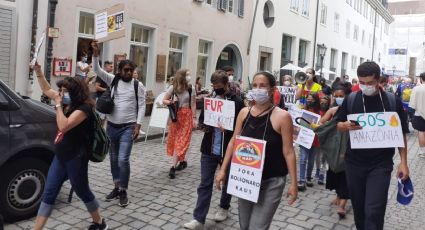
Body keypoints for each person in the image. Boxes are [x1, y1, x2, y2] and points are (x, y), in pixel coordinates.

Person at [215, 71, 298, 230]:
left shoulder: (283, 117)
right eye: (255, 85)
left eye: (263, 86)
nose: (258, 89)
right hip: (246, 179)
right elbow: (234, 141)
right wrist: (223, 170)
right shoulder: (244, 113)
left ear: (272, 89)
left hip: (272, 181)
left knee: (257, 227)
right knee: (245, 225)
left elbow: (288, 151)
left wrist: (293, 183)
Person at [31, 63, 107, 230]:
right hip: (61, 155)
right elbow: (46, 89)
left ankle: (99, 222)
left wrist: (58, 105)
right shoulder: (66, 102)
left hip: (76, 157)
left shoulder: (84, 108)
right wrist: (38, 71)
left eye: (65, 91)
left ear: (75, 93)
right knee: (49, 191)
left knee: (82, 191)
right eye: (61, 91)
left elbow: (64, 125)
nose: (61, 94)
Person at [336, 61, 409, 230]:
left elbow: (401, 134)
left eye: (370, 83)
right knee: (359, 209)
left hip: (380, 165)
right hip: (354, 163)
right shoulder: (351, 98)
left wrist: (404, 162)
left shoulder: (392, 101)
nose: (365, 86)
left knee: (374, 210)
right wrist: (344, 126)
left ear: (378, 80)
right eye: (362, 82)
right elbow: (338, 124)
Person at [184, 70, 245, 229]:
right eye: (213, 85)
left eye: (218, 85)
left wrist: (229, 130)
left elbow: (242, 127)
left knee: (227, 180)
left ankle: (224, 206)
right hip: (209, 149)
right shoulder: (209, 100)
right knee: (205, 183)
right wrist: (202, 127)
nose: (215, 88)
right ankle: (198, 218)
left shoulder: (237, 102)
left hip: (227, 148)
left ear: (226, 84)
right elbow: (204, 120)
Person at [91, 40, 146, 207]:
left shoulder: (138, 85)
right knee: (113, 159)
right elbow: (97, 70)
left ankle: (123, 190)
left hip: (128, 128)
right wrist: (95, 53)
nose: (129, 73)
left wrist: (138, 126)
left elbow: (142, 105)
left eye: (131, 70)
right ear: (120, 71)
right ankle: (116, 186)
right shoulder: (113, 80)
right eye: (126, 70)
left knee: (123, 159)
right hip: (112, 127)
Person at [319, 84, 351, 219]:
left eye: (341, 96)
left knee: (346, 176)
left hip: (349, 148)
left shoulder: (353, 111)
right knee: (336, 173)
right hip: (334, 149)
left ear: (348, 97)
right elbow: (321, 124)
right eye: (336, 96)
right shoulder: (333, 111)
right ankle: (339, 196)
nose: (339, 98)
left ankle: (342, 205)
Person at [163, 69, 197, 179]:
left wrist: (194, 118)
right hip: (176, 117)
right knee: (175, 140)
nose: (189, 76)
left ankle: (173, 167)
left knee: (182, 141)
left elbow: (193, 104)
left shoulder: (191, 88)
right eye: (187, 75)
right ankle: (182, 161)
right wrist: (171, 102)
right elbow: (164, 100)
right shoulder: (173, 87)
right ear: (182, 76)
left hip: (186, 116)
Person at [298, 92, 321, 191]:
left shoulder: (319, 112)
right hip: (304, 138)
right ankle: (301, 179)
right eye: (308, 98)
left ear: (316, 100)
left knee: (311, 160)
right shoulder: (302, 110)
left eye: (311, 99)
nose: (309, 100)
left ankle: (308, 177)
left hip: (315, 139)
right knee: (303, 159)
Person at [410, 72, 425, 157]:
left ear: (421, 79)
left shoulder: (416, 88)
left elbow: (412, 104)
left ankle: (423, 152)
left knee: (421, 132)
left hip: (419, 114)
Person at [95, 61, 113, 125]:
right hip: (100, 99)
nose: (112, 68)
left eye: (112, 66)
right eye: (110, 66)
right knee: (99, 120)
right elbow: (96, 87)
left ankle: (101, 133)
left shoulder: (110, 76)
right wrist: (107, 90)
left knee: (104, 120)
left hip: (106, 100)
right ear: (106, 66)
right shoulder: (101, 75)